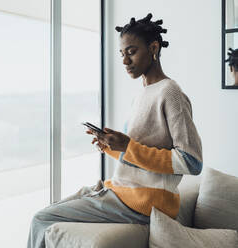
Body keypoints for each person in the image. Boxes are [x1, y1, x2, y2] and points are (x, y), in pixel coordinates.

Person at [27, 13, 203, 248]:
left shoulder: (170, 93)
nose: (125, 61)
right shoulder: (141, 94)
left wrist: (128, 147)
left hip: (143, 202)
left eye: (131, 52)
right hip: (124, 192)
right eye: (122, 54)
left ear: (153, 48)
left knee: (42, 219)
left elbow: (191, 161)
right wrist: (112, 146)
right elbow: (139, 155)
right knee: (49, 210)